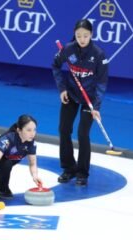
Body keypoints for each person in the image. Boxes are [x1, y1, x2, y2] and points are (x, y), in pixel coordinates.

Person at [52, 19, 108, 186]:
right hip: (71, 95)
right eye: (78, 36)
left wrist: (96, 107)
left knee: (83, 134)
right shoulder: (68, 49)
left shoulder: (99, 55)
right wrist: (62, 89)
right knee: (63, 129)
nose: (82, 39)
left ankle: (82, 173)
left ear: (91, 35)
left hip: (89, 100)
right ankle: (69, 168)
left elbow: (102, 83)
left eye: (85, 36)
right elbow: (55, 65)